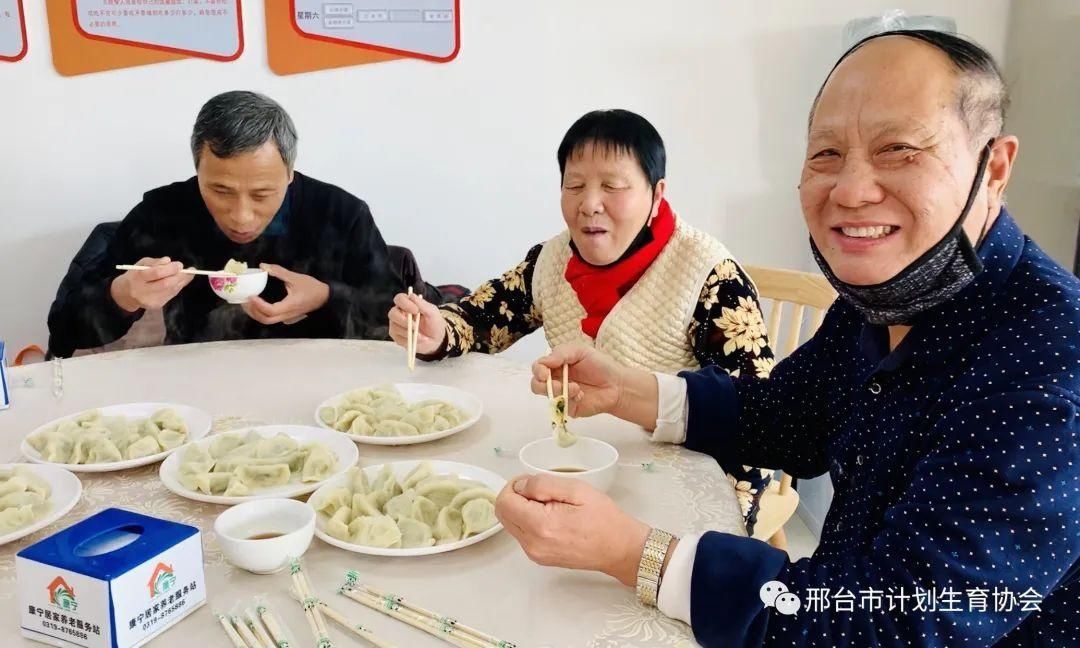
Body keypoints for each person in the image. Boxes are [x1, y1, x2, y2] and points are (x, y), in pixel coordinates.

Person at [495, 31, 1080, 647]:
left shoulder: (1049, 363)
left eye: (899, 149)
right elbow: (789, 413)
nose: (851, 192)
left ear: (994, 168)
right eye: (826, 154)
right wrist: (624, 391)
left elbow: (898, 621)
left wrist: (632, 553)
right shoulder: (882, 298)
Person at [389, 109, 776, 532]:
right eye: (574, 185)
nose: (589, 204)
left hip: (684, 472)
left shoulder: (709, 275)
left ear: (656, 194)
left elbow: (756, 413)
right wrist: (437, 331)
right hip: (582, 459)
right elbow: (482, 319)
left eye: (613, 186)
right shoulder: (551, 261)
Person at [47, 91, 403, 355]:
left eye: (262, 194)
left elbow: (393, 315)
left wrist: (326, 298)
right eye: (219, 190)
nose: (241, 216)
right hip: (196, 379)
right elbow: (64, 331)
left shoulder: (339, 213)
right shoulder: (163, 212)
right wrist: (123, 295)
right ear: (197, 172)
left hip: (320, 376)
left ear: (290, 174)